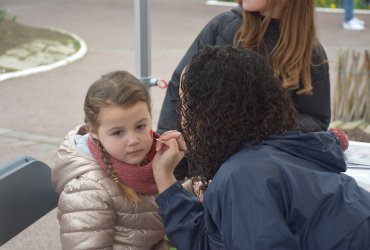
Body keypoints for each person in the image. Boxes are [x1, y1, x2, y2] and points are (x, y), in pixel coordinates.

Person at [152, 46, 370, 249]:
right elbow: (217, 242)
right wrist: (166, 179)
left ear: (207, 115)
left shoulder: (244, 176)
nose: (181, 117)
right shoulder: (282, 148)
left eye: (185, 104)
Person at [158, 0, 332, 179]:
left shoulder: (311, 52)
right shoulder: (224, 27)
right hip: (203, 173)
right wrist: (170, 162)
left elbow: (316, 120)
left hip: (263, 175)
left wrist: (262, 125)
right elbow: (181, 88)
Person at [52, 71, 170, 249]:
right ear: (93, 131)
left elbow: (148, 208)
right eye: (118, 132)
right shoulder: (88, 190)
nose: (133, 140)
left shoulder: (145, 158)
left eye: (140, 126)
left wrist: (188, 186)